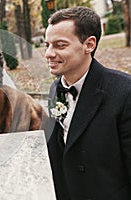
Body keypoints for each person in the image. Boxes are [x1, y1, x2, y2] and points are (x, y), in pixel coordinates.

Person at [43, 6, 131, 200]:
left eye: (60, 45)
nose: (49, 53)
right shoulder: (55, 89)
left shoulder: (125, 93)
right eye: (47, 44)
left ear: (89, 44)